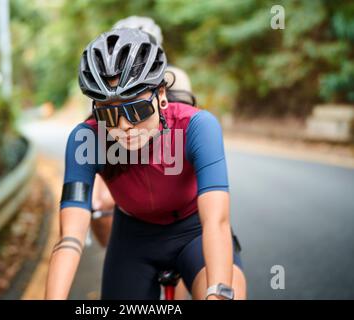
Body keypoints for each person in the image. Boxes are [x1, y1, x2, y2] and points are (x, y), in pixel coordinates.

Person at [45, 28, 247, 300]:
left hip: (194, 230)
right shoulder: (87, 139)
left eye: (137, 110)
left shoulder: (197, 126)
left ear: (161, 94)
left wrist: (219, 293)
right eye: (109, 114)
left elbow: (216, 222)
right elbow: (70, 238)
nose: (125, 126)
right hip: (133, 238)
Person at [90, 16, 197, 299]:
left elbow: (185, 127)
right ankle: (121, 258)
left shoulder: (176, 78)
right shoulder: (106, 82)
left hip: (171, 162)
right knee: (99, 203)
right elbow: (96, 131)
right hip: (125, 165)